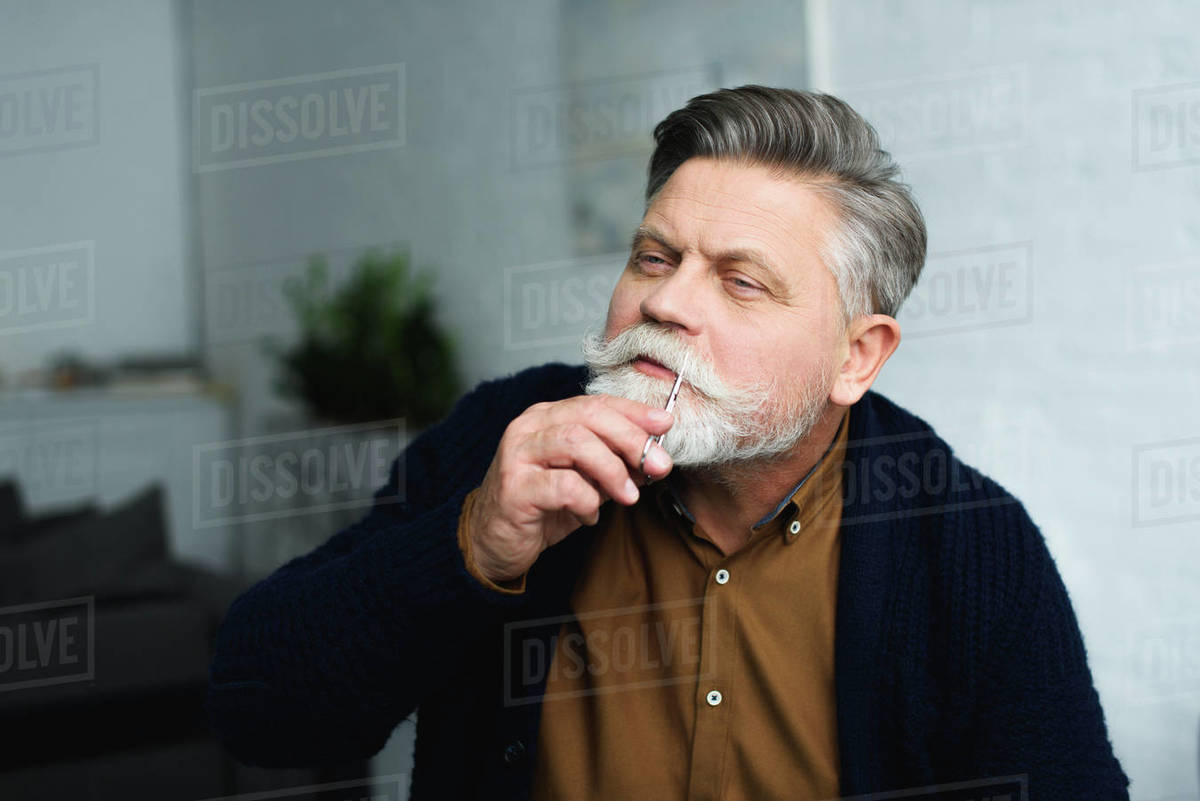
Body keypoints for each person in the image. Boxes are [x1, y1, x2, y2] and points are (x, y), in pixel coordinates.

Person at [206, 86, 1131, 801]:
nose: (665, 302)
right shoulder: (503, 439)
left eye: (741, 282)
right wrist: (473, 543)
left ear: (858, 355)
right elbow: (257, 709)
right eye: (655, 257)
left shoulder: (968, 542)